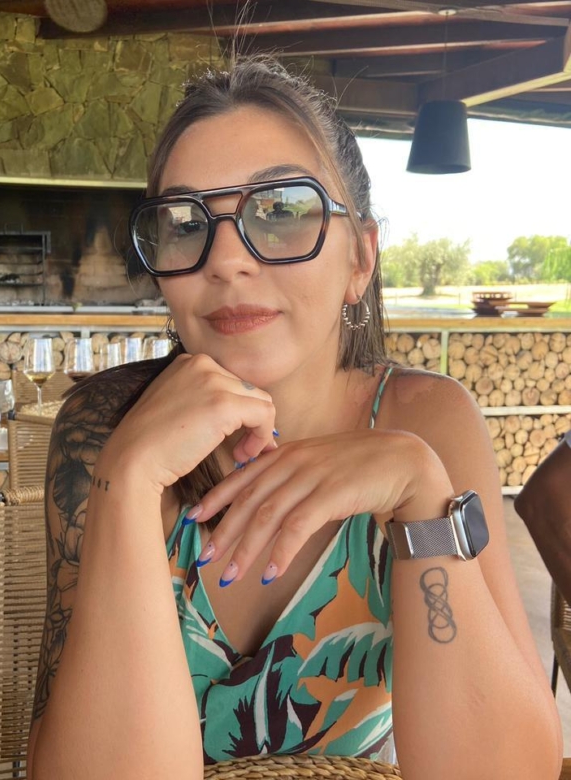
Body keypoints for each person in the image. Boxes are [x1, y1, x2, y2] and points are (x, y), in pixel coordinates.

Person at [28, 57, 562, 780]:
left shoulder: (428, 422)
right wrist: (127, 478)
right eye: (184, 223)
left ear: (360, 260)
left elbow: (511, 770)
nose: (225, 260)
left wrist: (420, 494)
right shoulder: (102, 428)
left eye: (281, 210)